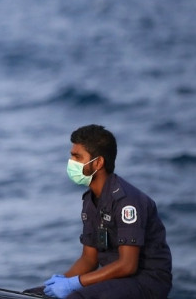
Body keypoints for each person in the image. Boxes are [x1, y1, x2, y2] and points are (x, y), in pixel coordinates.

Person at [26, 124, 172, 299]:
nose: (71, 162)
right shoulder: (90, 200)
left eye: (77, 157)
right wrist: (61, 282)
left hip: (146, 281)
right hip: (116, 279)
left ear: (98, 162)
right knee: (32, 296)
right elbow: (89, 259)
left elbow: (128, 265)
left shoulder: (127, 202)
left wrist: (75, 283)